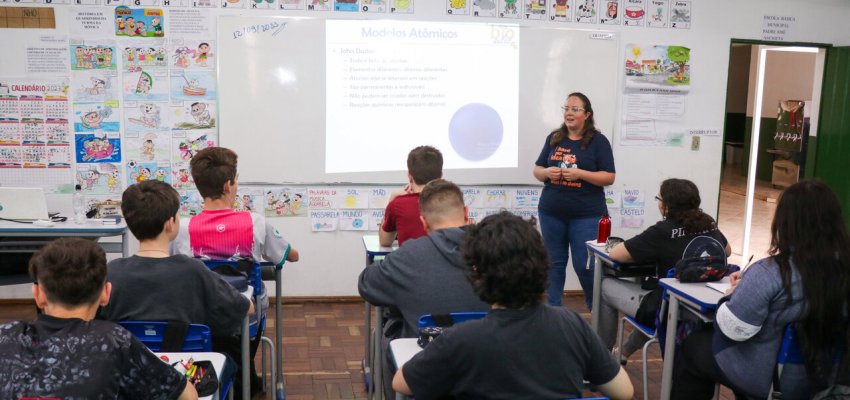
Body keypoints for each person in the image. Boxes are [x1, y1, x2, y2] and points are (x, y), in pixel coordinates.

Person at [392, 212, 634, 400]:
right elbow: (623, 391)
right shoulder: (572, 325)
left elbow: (401, 383)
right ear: (541, 264)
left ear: (476, 271)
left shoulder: (460, 340)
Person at [671, 180, 850, 399]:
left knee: (693, 347)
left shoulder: (770, 273)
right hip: (828, 377)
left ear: (785, 223)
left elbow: (733, 329)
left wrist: (732, 294)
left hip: (773, 381)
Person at [100, 180, 252, 395]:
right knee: (228, 357)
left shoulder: (111, 273)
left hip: (128, 376)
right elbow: (244, 309)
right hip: (189, 375)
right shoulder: (192, 270)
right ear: (170, 223)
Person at [171, 146, 299, 396]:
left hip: (199, 316)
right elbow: (290, 255)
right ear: (229, 185)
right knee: (252, 307)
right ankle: (243, 375)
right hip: (244, 316)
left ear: (198, 185)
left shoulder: (183, 228)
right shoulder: (255, 222)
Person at [0, 238, 197, 400]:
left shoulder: (5, 336)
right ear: (106, 294)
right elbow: (187, 396)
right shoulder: (111, 341)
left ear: (37, 294)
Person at [360, 178, 489, 398]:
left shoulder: (408, 256)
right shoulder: (497, 250)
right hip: (488, 367)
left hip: (424, 375)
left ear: (423, 222)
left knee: (388, 337)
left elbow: (367, 285)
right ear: (467, 212)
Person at [602, 178, 730, 361]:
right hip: (698, 307)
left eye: (659, 199)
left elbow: (616, 255)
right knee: (657, 307)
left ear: (667, 206)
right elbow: (727, 251)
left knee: (605, 285)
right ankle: (622, 353)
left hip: (668, 307)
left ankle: (602, 357)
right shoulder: (707, 223)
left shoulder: (662, 231)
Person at [533, 92, 616, 309]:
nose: (569, 113)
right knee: (554, 264)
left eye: (575, 109)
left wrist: (580, 174)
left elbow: (609, 177)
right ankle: (552, 312)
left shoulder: (599, 141)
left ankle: (595, 309)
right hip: (551, 212)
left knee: (584, 265)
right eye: (566, 108)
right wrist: (547, 173)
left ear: (587, 114)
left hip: (587, 215)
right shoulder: (554, 138)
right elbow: (537, 169)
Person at [379, 145, 443, 247]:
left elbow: (385, 242)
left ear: (409, 176)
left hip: (407, 263)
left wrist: (392, 200)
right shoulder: (452, 203)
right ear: (440, 175)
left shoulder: (397, 204)